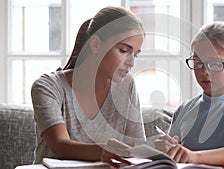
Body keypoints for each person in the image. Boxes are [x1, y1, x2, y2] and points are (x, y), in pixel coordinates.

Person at [31, 6, 146, 168]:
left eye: (136, 54)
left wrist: (159, 149)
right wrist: (102, 152)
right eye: (124, 50)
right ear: (96, 45)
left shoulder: (127, 85)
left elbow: (136, 146)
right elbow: (60, 145)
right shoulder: (48, 86)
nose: (131, 62)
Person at [154, 22, 224, 166]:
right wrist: (166, 149)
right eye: (198, 63)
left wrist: (194, 156)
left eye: (216, 64)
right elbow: (174, 156)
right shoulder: (185, 109)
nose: (205, 72)